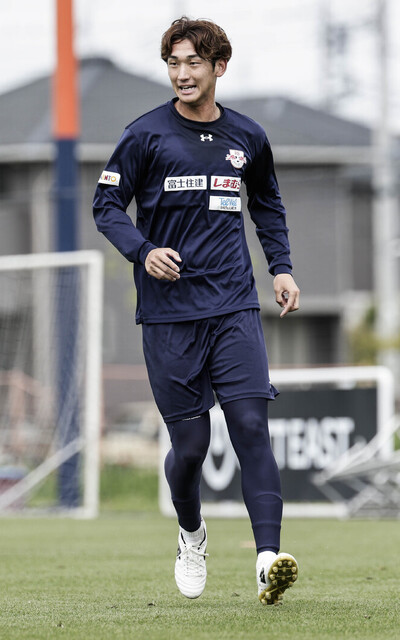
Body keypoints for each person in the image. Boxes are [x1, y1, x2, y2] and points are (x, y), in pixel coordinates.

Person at [93, 16, 300, 605]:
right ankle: (191, 535)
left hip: (234, 306)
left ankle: (267, 560)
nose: (182, 74)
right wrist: (143, 250)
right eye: (173, 63)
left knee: (252, 427)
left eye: (193, 63)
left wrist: (281, 267)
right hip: (169, 316)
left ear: (218, 67)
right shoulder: (144, 135)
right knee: (189, 449)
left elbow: (268, 204)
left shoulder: (248, 137)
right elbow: (106, 205)